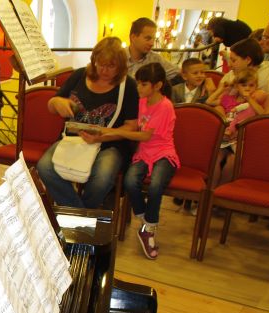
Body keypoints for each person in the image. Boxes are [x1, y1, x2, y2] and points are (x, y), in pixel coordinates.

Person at [36, 37, 139, 209]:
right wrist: (58, 102)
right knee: (45, 168)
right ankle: (82, 216)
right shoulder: (79, 75)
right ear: (94, 60)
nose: (104, 70)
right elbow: (51, 105)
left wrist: (101, 137)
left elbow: (131, 126)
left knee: (102, 178)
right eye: (100, 64)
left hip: (109, 145)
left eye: (111, 66)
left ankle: (76, 215)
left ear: (120, 66)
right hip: (72, 139)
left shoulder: (127, 85)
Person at [108, 63, 179, 259]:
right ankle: (146, 222)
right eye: (138, 83)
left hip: (163, 152)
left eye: (144, 84)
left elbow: (145, 136)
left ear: (158, 86)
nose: (138, 87)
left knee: (156, 185)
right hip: (144, 153)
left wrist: (117, 132)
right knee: (130, 180)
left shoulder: (165, 106)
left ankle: (148, 229)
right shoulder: (141, 102)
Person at [208, 68, 267, 185]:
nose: (247, 88)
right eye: (243, 85)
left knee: (232, 162)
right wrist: (221, 89)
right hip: (225, 138)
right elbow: (209, 102)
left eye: (251, 85)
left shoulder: (253, 102)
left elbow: (262, 114)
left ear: (256, 86)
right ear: (237, 86)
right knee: (215, 158)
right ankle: (211, 189)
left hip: (240, 139)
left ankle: (221, 190)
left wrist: (249, 98)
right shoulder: (229, 99)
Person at [217, 37, 269, 113]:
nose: (229, 65)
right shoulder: (231, 76)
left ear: (248, 60)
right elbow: (219, 104)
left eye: (233, 60)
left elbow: (267, 117)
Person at [126, 17, 180, 82]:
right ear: (133, 37)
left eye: (153, 39)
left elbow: (179, 73)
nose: (152, 43)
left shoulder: (155, 59)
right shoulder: (118, 57)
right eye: (148, 38)